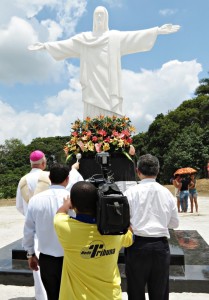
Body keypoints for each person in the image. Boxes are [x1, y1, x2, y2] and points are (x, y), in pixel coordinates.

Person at [28, 6, 180, 118]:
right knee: (93, 110)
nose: (99, 18)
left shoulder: (114, 37)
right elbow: (65, 45)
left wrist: (157, 31)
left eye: (102, 15)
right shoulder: (84, 39)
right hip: (92, 84)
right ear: (93, 19)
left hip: (109, 84)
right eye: (97, 16)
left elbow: (135, 36)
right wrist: (45, 46)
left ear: (106, 18)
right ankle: (93, 137)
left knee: (111, 111)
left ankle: (113, 137)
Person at [16, 150, 83, 300]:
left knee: (52, 295)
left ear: (50, 178)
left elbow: (28, 229)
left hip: (47, 258)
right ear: (67, 179)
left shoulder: (34, 199)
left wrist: (30, 254)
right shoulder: (73, 200)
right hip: (70, 257)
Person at [54, 181, 133, 300]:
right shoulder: (116, 231)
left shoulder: (64, 227)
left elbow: (60, 213)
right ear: (98, 202)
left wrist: (68, 203)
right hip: (110, 296)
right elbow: (130, 237)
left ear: (74, 205)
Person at [124, 154, 179, 300]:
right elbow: (175, 223)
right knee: (160, 293)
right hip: (160, 246)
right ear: (158, 171)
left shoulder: (130, 193)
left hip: (137, 246)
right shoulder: (166, 193)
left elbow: (123, 221)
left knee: (135, 291)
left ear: (138, 171)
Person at [16, 150, 50, 300]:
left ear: (31, 163)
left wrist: (30, 217)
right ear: (43, 163)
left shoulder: (23, 180)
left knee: (37, 268)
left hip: (33, 228)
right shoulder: (49, 176)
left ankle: (41, 296)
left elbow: (19, 206)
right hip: (51, 226)